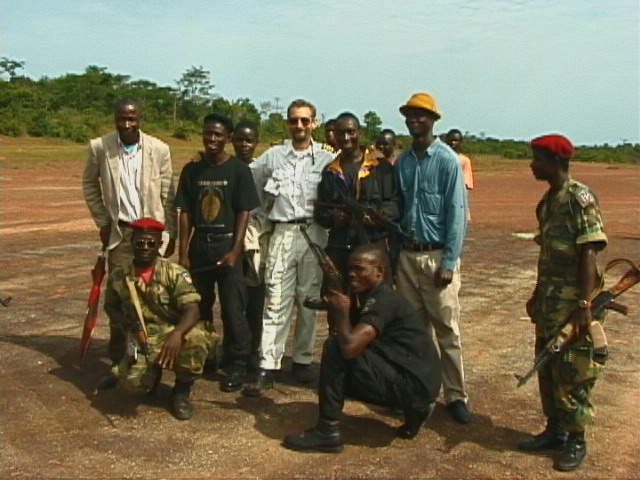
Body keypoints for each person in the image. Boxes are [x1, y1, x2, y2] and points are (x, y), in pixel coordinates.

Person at [282, 245, 442, 453]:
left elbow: (349, 347)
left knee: (335, 348)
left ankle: (327, 430)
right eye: (350, 269)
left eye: (359, 269)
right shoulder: (379, 296)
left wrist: (341, 313)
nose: (352, 274)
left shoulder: (383, 300)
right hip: (421, 384)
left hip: (413, 387)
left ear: (379, 271)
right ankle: (416, 412)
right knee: (357, 350)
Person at [518, 134, 608, 472]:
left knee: (573, 371)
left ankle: (576, 439)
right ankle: (555, 430)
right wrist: (536, 294)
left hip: (574, 304)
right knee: (547, 366)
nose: (532, 165)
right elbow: (547, 256)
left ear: (555, 162)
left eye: (537, 159)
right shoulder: (548, 202)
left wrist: (584, 303)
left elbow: (589, 251)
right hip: (549, 303)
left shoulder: (578, 199)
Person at [243, 99, 335, 396]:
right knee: (276, 298)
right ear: (287, 123)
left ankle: (302, 359)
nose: (299, 126)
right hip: (282, 230)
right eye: (294, 120)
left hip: (314, 233)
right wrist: (261, 214)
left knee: (308, 299)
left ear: (314, 123)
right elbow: (249, 179)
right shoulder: (273, 156)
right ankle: (268, 364)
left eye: (305, 120)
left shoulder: (326, 159)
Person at [83, 97, 177, 371]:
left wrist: (170, 234)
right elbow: (89, 184)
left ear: (140, 119)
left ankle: (151, 357)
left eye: (131, 119)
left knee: (154, 295)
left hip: (151, 232)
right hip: (121, 233)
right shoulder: (100, 147)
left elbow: (168, 195)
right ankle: (118, 359)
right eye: (121, 119)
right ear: (115, 119)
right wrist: (103, 222)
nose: (126, 124)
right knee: (119, 297)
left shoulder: (159, 149)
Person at [394, 93, 472, 424]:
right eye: (410, 115)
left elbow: (457, 215)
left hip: (437, 256)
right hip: (407, 257)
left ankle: (455, 395)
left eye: (421, 115)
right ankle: (419, 392)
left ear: (433, 121)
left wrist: (449, 263)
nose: (415, 120)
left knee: (447, 331)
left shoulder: (447, 161)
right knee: (413, 332)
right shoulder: (403, 162)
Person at [174, 113, 260, 393]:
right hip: (200, 245)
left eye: (218, 135)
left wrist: (235, 250)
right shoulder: (192, 170)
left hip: (227, 245)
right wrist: (183, 253)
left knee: (233, 309)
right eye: (208, 133)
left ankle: (238, 364)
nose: (212, 139)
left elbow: (243, 212)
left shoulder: (238, 170)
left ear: (227, 139)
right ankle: (206, 354)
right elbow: (185, 212)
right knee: (199, 306)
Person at [103, 218, 215, 420]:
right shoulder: (120, 275)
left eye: (151, 243)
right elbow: (110, 306)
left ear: (159, 245)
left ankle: (181, 391)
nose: (145, 248)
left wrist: (177, 335)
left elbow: (193, 310)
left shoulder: (174, 273)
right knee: (132, 386)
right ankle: (152, 375)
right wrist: (123, 323)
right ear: (132, 243)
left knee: (196, 338)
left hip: (173, 329)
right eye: (140, 243)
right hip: (143, 336)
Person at [314, 112, 398, 288]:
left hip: (373, 247)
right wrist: (333, 217)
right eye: (340, 133)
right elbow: (320, 211)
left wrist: (377, 216)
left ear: (360, 132)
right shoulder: (330, 171)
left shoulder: (381, 168)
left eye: (351, 132)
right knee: (338, 299)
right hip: (340, 248)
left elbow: (396, 205)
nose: (346, 138)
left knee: (378, 298)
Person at [231, 120, 270, 373]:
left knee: (255, 299)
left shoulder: (263, 171)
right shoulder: (226, 167)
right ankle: (232, 349)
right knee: (232, 301)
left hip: (257, 238)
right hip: (230, 238)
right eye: (239, 139)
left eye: (249, 140)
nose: (244, 145)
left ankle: (253, 350)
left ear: (256, 142)